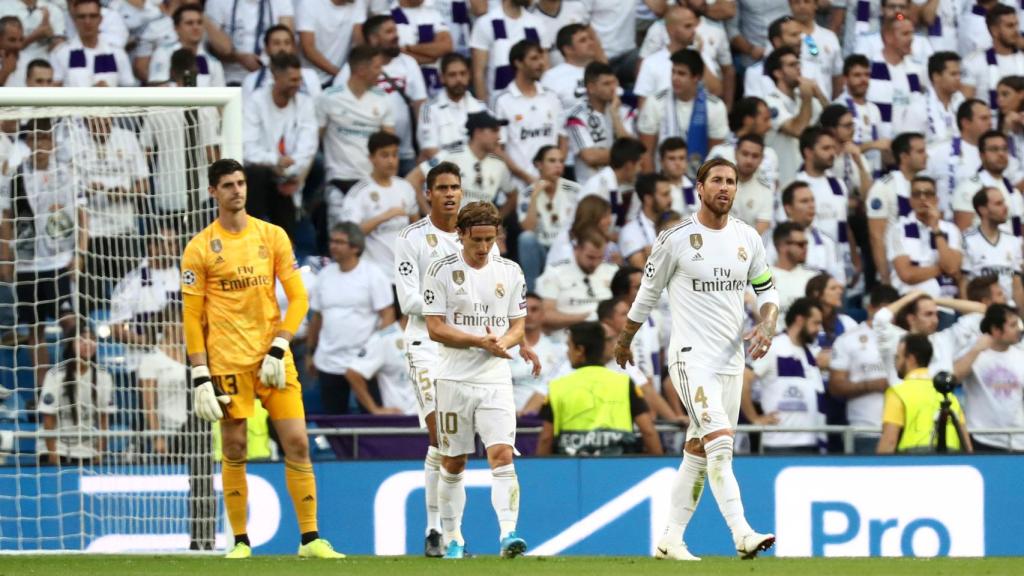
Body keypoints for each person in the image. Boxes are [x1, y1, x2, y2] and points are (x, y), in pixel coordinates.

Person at [614, 158, 779, 560]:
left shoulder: (747, 239)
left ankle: (670, 539)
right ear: (700, 189)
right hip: (691, 359)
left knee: (699, 451)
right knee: (721, 445)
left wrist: (768, 322)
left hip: (730, 362)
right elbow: (647, 294)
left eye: (731, 182)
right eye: (717, 181)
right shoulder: (675, 238)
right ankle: (741, 533)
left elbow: (767, 291)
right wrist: (624, 340)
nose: (725, 187)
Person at [182, 158, 343, 559]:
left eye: (240, 183)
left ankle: (310, 540)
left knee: (297, 444)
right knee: (235, 447)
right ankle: (240, 541)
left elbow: (300, 296)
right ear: (213, 193)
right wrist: (201, 374)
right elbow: (191, 317)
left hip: (273, 359)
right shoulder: (200, 247)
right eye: (228, 185)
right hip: (227, 363)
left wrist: (281, 343)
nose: (237, 190)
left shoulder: (272, 236)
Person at [422, 201, 539, 559]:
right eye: (477, 240)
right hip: (453, 379)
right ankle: (453, 537)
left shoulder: (511, 271)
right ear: (461, 235)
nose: (484, 247)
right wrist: (479, 341)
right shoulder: (440, 271)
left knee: (502, 454)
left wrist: (509, 342)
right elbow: (435, 328)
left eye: (490, 239)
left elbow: (518, 322)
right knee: (454, 461)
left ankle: (508, 535)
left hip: (494, 379)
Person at [394, 161, 495, 556]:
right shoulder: (411, 238)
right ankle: (436, 530)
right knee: (440, 434)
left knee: (456, 444)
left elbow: (492, 289)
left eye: (456, 187)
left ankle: (448, 534)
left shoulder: (479, 235)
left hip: (466, 345)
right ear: (428, 194)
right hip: (425, 345)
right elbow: (407, 300)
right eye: (442, 188)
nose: (451, 194)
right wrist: (452, 304)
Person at [0, 119, 82, 391]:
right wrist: (6, 259)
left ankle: (74, 381)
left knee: (70, 323)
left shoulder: (66, 174)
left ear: (52, 142)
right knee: (35, 331)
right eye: (35, 139)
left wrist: (79, 253)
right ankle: (44, 390)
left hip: (59, 261)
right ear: (28, 142)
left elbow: (83, 214)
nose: (40, 145)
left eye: (45, 138)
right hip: (27, 263)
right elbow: (7, 219)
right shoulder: (15, 176)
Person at [536, 320, 662, 456]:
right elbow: (648, 431)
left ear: (580, 350)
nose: (567, 353)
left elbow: (546, 438)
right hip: (618, 468)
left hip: (571, 469)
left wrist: (540, 472)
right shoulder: (624, 383)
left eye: (569, 347)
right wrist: (658, 466)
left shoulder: (557, 386)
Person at [307, 222, 394, 414]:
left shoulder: (373, 274)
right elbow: (317, 318)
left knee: (371, 420)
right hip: (328, 362)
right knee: (333, 422)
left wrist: (375, 350)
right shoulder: (324, 276)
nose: (333, 246)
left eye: (339, 242)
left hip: (363, 364)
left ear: (355, 247)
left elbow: (387, 315)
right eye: (332, 241)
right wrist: (310, 353)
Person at [333, 14, 427, 176]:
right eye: (389, 32)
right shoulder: (353, 69)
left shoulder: (408, 63)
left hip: (404, 153)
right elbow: (338, 105)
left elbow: (422, 106)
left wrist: (425, 144)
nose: (396, 36)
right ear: (374, 39)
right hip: (368, 157)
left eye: (395, 30)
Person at [243, 53, 319, 239]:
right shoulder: (256, 102)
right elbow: (248, 150)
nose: (297, 84)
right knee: (258, 174)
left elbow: (308, 146)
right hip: (260, 178)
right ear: (276, 77)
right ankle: (251, 233)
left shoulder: (304, 103)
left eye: (299, 79)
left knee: (316, 164)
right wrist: (276, 162)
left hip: (290, 179)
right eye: (292, 79)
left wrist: (291, 172)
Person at [743, 297, 824, 453]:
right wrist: (754, 419)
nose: (819, 329)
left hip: (811, 442)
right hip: (780, 444)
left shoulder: (809, 354)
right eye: (815, 323)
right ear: (800, 320)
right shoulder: (773, 346)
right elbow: (742, 380)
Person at [332, 132, 419, 276]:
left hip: (406, 273)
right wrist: (384, 217)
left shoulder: (405, 187)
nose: (391, 161)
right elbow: (348, 234)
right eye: (385, 155)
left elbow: (415, 225)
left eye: (395, 155)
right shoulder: (359, 192)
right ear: (371, 158)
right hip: (375, 274)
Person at [829, 284, 903, 453]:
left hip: (903, 429)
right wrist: (872, 385)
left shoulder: (905, 338)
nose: (886, 317)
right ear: (870, 308)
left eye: (891, 312)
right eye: (883, 311)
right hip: (864, 430)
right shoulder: (848, 340)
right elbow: (835, 386)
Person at [316, 45, 395, 194]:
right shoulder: (328, 97)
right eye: (377, 67)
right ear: (361, 70)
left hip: (372, 180)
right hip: (339, 179)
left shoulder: (383, 99)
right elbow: (314, 140)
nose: (381, 73)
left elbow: (389, 144)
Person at [877, 334, 973, 454]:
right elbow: (967, 444)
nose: (896, 362)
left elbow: (889, 442)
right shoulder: (949, 395)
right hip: (951, 463)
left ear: (911, 359)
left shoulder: (898, 393)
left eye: (898, 357)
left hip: (913, 462)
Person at [408, 111, 516, 217]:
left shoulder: (499, 164)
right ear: (478, 132)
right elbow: (413, 179)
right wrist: (431, 217)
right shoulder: (451, 156)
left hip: (481, 231)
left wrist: (497, 221)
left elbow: (513, 195)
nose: (499, 137)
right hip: (452, 230)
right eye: (494, 130)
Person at [637, 49, 728, 174]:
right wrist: (654, 187)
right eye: (673, 72)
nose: (675, 78)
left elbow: (716, 155)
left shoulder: (715, 107)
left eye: (681, 74)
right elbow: (646, 152)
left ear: (696, 77)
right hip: (663, 180)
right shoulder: (655, 102)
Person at [38, 321, 114, 465]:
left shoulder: (104, 376)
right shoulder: (55, 375)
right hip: (57, 449)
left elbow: (104, 418)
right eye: (81, 339)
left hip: (87, 450)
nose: (87, 343)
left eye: (92, 338)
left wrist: (100, 452)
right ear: (71, 344)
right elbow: (48, 418)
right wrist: (52, 454)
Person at [493, 39, 564, 189]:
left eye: (541, 58)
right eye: (534, 59)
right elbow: (498, 148)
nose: (541, 63)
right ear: (518, 63)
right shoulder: (503, 101)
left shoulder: (552, 97)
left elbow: (563, 138)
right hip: (519, 185)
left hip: (552, 184)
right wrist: (527, 177)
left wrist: (556, 171)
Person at [953, 303, 1024, 452]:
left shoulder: (1020, 355)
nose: (1019, 329)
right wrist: (976, 350)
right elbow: (954, 378)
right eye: (1012, 325)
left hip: (1017, 438)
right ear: (996, 330)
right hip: (983, 438)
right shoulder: (974, 353)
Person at [794, 126, 858, 285]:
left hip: (840, 265)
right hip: (813, 263)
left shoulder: (837, 184)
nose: (832, 153)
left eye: (833, 148)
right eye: (825, 148)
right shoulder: (798, 184)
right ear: (808, 152)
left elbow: (844, 222)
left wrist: (854, 257)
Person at [866, 132, 928, 284]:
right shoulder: (884, 187)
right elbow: (876, 236)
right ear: (904, 156)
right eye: (920, 152)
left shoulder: (925, 185)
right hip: (897, 271)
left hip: (924, 267)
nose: (926, 156)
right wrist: (885, 277)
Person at [887, 175, 963, 298]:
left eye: (928, 194)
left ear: (936, 199)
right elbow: (907, 275)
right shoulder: (898, 229)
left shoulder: (951, 230)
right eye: (917, 194)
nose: (923, 198)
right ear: (910, 200)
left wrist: (936, 229)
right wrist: (942, 269)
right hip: (909, 301)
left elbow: (952, 267)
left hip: (945, 303)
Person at [518, 145, 579, 290]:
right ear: (539, 165)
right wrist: (534, 197)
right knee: (526, 239)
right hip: (541, 249)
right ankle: (531, 294)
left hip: (566, 248)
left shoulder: (575, 190)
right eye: (552, 161)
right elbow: (528, 228)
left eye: (561, 161)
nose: (558, 165)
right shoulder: (527, 194)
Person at [764, 46, 825, 186]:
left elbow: (834, 121)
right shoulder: (770, 102)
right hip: (782, 180)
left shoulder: (802, 99)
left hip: (807, 180)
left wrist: (819, 94)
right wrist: (808, 98)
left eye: (798, 63)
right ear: (778, 73)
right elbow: (797, 130)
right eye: (792, 65)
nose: (798, 68)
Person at [537, 229, 617, 333]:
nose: (595, 263)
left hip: (607, 338)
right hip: (566, 338)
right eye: (590, 257)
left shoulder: (613, 271)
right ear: (576, 249)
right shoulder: (555, 272)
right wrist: (587, 318)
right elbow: (546, 315)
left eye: (600, 257)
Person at [567, 61, 634, 185]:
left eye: (614, 82)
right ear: (591, 88)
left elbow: (632, 151)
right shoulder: (577, 116)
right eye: (606, 84)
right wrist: (624, 156)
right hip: (592, 189)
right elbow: (590, 157)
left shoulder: (624, 111)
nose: (613, 88)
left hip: (623, 188)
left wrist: (615, 116)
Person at [345, 310, 419, 416]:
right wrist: (374, 409)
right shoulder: (384, 339)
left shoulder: (438, 337)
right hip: (402, 421)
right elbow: (353, 373)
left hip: (435, 421)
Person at [470, 0, 545, 103]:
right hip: (498, 102)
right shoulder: (485, 23)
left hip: (535, 100)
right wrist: (483, 108)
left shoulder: (536, 23)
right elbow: (479, 73)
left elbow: (545, 66)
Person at [770, 181, 845, 283]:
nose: (811, 206)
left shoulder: (827, 241)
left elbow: (838, 280)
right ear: (788, 209)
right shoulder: (772, 239)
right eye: (804, 201)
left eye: (812, 201)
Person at [961, 187, 1024, 309]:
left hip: (1008, 309)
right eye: (998, 204)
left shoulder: (1013, 241)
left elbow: (1016, 284)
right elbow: (963, 282)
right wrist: (969, 313)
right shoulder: (967, 240)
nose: (1005, 207)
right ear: (983, 210)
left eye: (1004, 202)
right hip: (981, 310)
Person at [204, 0, 293, 85]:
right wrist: (238, 58)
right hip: (230, 77)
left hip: (271, 77)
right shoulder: (217, 2)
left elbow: (286, 42)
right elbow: (211, 47)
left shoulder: (281, 2)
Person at [952, 129, 1024, 233]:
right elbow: (963, 235)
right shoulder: (968, 188)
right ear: (982, 155)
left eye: (1004, 149)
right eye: (994, 149)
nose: (1001, 154)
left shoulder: (1014, 193)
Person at [417, 52, 487, 159]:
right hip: (443, 172)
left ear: (469, 76)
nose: (459, 79)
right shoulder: (428, 110)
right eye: (452, 75)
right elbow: (430, 151)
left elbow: (493, 146)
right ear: (442, 78)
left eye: (463, 73)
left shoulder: (482, 108)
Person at [50, 0, 133, 86]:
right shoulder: (61, 53)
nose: (87, 22)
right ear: (74, 20)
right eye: (82, 17)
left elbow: (128, 89)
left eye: (93, 16)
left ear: (100, 19)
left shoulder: (116, 53)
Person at [510, 292, 568, 414]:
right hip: (511, 419)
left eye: (534, 309)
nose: (529, 314)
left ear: (543, 315)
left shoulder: (560, 349)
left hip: (548, 419)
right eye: (523, 310)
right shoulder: (504, 348)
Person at [707, 97, 779, 192]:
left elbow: (774, 194)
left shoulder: (770, 154)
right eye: (765, 119)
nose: (769, 125)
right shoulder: (721, 153)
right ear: (748, 120)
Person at [961, 4, 1024, 109]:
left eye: (1016, 25)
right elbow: (966, 107)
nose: (1015, 31)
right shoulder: (973, 62)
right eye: (1010, 26)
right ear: (994, 30)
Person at [147, 4, 225, 86]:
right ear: (176, 28)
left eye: (199, 22)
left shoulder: (213, 62)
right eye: (189, 23)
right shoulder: (163, 53)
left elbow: (221, 94)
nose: (196, 27)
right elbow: (157, 88)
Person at [835, 54, 887, 177]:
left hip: (874, 174)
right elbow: (841, 148)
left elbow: (881, 145)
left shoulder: (874, 109)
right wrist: (872, 145)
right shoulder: (838, 107)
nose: (863, 80)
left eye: (867, 75)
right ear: (845, 79)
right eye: (857, 75)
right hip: (847, 174)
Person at [581, 137, 646, 235]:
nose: (640, 170)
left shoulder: (614, 185)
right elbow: (586, 229)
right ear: (629, 165)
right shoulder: (598, 186)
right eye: (639, 165)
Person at [295, 0, 365, 86]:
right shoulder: (309, 3)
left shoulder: (357, 2)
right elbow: (308, 49)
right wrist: (340, 75)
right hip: (311, 82)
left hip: (341, 79)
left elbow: (358, 42)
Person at [241, 25, 322, 98]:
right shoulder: (251, 80)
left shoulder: (310, 76)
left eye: (287, 43)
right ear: (266, 48)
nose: (282, 48)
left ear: (293, 48)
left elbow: (318, 110)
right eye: (276, 43)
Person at [391, 0, 453, 96]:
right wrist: (429, 57)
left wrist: (409, 48)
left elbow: (446, 47)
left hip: (431, 82)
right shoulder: (388, 15)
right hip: (402, 81)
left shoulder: (433, 13)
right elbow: (395, 54)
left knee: (427, 110)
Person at [540, 23, 600, 111]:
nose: (591, 43)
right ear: (568, 49)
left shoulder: (602, 69)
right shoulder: (551, 77)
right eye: (583, 40)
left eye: (590, 39)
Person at [620, 172, 672, 268]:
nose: (670, 199)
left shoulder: (676, 223)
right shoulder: (630, 231)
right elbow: (643, 271)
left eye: (669, 194)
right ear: (648, 199)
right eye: (665, 195)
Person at [770, 222, 818, 316]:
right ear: (782, 246)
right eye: (800, 244)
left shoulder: (813, 277)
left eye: (806, 244)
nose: (805, 248)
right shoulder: (762, 278)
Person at [730, 135, 773, 235]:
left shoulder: (765, 191)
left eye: (755, 156)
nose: (749, 160)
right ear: (736, 153)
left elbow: (760, 230)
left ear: (761, 159)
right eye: (745, 154)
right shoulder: (716, 181)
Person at [923, 51, 965, 146]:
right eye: (953, 74)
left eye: (959, 74)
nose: (958, 78)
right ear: (936, 77)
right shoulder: (918, 107)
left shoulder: (961, 101)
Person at [658, 137, 697, 216]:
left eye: (681, 158)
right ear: (661, 162)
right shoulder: (652, 188)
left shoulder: (694, 188)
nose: (677, 163)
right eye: (672, 159)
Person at [0, 16, 26, 87]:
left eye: (21, 40)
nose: (18, 46)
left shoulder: (29, 61)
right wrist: (5, 72)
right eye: (12, 40)